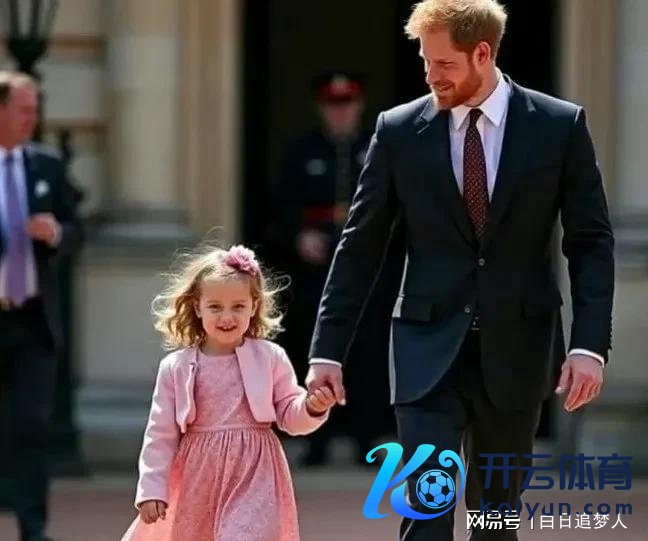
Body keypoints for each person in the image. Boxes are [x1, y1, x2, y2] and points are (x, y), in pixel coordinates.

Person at [305, 1, 614, 539]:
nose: (431, 76)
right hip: (426, 353)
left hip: (518, 351)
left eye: (444, 63)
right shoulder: (399, 130)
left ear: (482, 53)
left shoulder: (558, 126)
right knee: (427, 513)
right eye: (426, 62)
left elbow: (590, 243)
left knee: (495, 520)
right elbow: (359, 247)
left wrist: (589, 346)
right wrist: (326, 352)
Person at [121, 244, 337, 541]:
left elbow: (289, 413)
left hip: (256, 474)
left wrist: (311, 407)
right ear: (197, 306)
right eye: (215, 306)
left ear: (253, 306)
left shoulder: (270, 357)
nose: (227, 317)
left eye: (238, 306)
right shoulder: (176, 367)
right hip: (198, 477)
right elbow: (160, 435)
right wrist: (152, 489)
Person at [274, 71, 395, 465]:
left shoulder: (378, 148)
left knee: (368, 351)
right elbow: (279, 206)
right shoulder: (302, 151)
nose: (340, 113)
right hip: (317, 268)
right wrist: (299, 234)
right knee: (315, 348)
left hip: (367, 267)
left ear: (359, 106)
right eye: (333, 105)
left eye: (347, 104)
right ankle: (316, 439)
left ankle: (367, 439)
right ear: (321, 108)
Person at [0, 71, 82, 541]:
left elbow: (76, 231)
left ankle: (33, 529)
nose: (32, 119)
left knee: (32, 425)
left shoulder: (47, 166)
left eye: (35, 110)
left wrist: (56, 233)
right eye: (24, 110)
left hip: (33, 321)